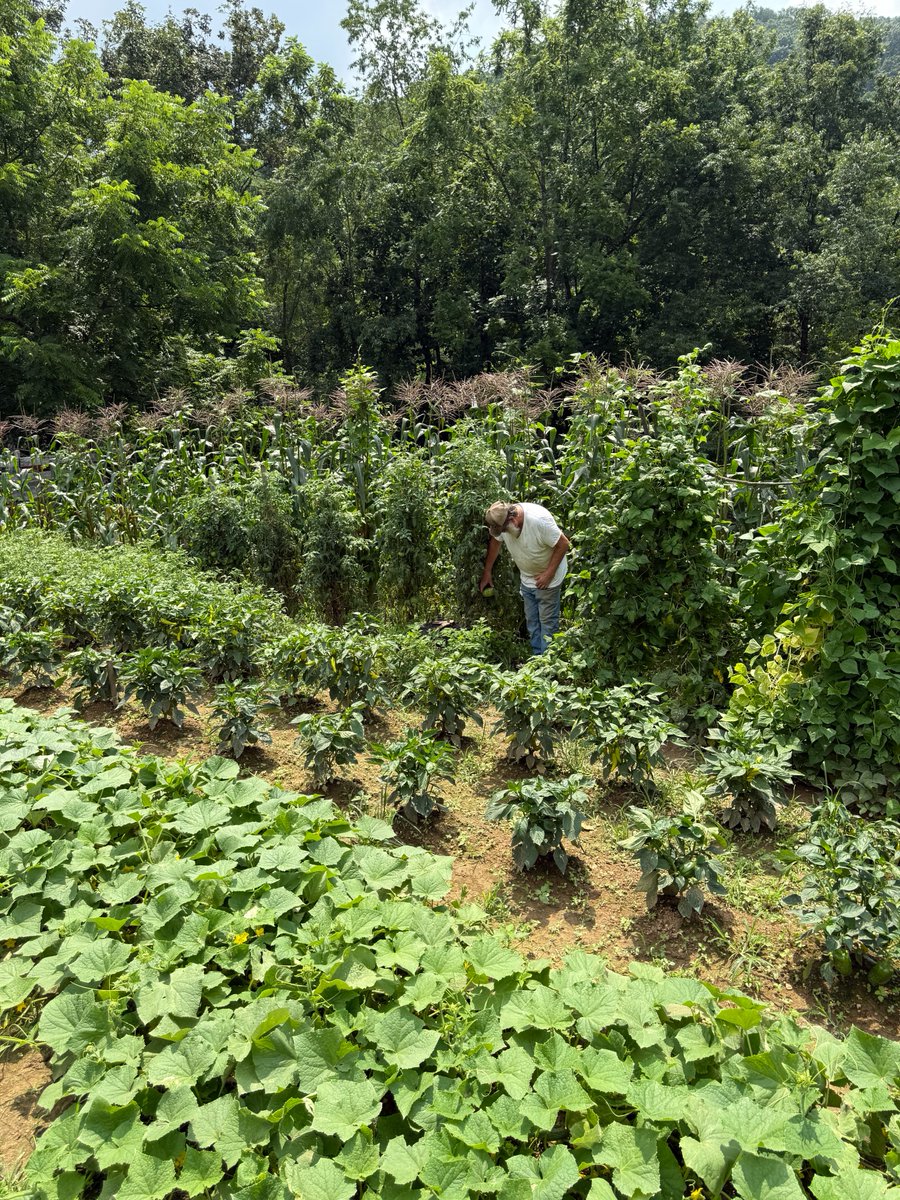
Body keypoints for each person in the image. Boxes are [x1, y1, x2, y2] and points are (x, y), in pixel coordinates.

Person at [480, 501, 570, 654]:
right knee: (533, 623)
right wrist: (487, 571)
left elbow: (563, 544)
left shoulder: (538, 521)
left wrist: (549, 574)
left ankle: (548, 667)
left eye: (504, 530)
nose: (504, 534)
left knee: (547, 624)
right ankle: (537, 660)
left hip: (548, 580)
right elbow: (496, 542)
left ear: (513, 520)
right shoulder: (502, 520)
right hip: (527, 579)